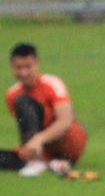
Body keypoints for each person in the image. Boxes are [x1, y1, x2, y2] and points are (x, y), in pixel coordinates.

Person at [3, 43, 88, 177]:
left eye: (28, 67)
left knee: (24, 102)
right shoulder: (11, 94)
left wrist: (39, 139)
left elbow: (65, 120)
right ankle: (47, 163)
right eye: (18, 68)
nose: (23, 73)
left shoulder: (52, 83)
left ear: (37, 63)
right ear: (12, 67)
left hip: (69, 141)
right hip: (44, 147)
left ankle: (37, 162)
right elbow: (25, 129)